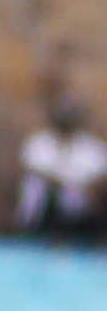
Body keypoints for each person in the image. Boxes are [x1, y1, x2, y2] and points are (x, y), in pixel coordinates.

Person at [29, 98, 107, 249]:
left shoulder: (92, 146)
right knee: (53, 193)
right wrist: (69, 187)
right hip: (49, 208)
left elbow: (102, 174)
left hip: (85, 203)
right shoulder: (39, 143)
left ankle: (101, 243)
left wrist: (89, 188)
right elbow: (37, 171)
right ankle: (56, 241)